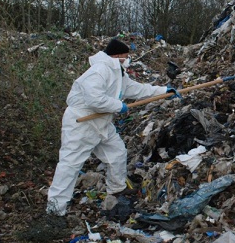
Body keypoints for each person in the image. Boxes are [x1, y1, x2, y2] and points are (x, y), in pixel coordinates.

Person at [47, 38, 174, 216]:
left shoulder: (119, 73)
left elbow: (137, 90)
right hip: (82, 122)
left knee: (117, 153)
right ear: (117, 55)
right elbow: (94, 99)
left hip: (102, 123)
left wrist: (163, 91)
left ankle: (116, 188)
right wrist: (117, 106)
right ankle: (54, 209)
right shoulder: (99, 71)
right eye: (126, 55)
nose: (128, 59)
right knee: (70, 165)